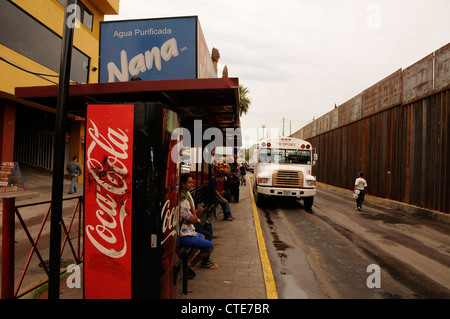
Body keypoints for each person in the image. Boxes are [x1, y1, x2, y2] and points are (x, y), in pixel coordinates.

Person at [179, 174, 218, 278]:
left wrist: (193, 210)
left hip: (189, 230)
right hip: (184, 234)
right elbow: (193, 219)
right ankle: (191, 264)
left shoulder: (186, 195)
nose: (192, 184)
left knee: (204, 236)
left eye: (192, 182)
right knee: (211, 246)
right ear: (183, 184)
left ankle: (188, 261)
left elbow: (194, 217)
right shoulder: (182, 201)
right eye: (189, 182)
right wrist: (195, 215)